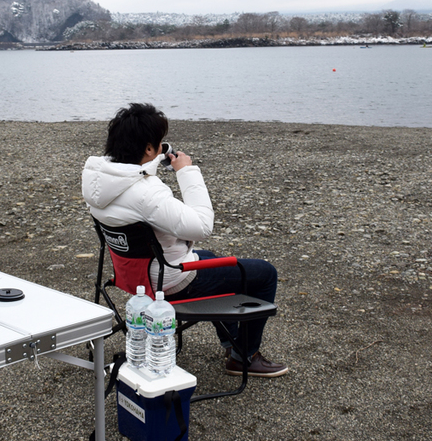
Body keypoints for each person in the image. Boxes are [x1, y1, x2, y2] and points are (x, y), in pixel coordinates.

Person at [82, 103, 287, 377]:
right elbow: (201, 225)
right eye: (157, 144)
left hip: (129, 276)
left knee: (212, 257)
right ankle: (244, 356)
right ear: (147, 149)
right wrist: (186, 171)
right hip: (168, 280)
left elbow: (134, 187)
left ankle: (231, 340)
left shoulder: (99, 181)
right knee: (263, 273)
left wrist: (156, 161)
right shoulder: (147, 193)